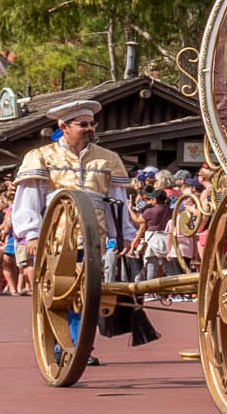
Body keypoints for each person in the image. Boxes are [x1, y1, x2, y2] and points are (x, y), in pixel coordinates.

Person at [13, 98, 159, 352]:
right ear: (64, 126)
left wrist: (124, 234)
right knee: (60, 291)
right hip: (55, 239)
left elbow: (117, 201)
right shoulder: (41, 157)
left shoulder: (108, 159)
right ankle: (65, 345)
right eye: (83, 124)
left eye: (92, 124)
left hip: (94, 239)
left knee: (88, 294)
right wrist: (31, 235)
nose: (90, 128)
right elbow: (27, 201)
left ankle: (79, 346)